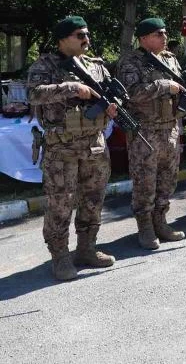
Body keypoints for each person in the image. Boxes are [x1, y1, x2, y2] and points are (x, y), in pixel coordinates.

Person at [27, 16, 117, 280]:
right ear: (63, 39)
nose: (86, 40)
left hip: (95, 146)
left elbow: (110, 92)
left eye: (87, 34)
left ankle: (86, 249)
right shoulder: (45, 65)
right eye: (80, 35)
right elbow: (33, 94)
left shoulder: (95, 65)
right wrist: (71, 87)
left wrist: (113, 105)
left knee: (93, 200)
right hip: (62, 148)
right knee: (60, 203)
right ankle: (60, 257)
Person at [118, 18, 186, 249]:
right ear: (143, 39)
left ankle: (161, 222)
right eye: (158, 34)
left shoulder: (170, 59)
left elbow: (181, 86)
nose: (164, 37)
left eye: (164, 33)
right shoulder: (131, 61)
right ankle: (145, 228)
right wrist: (164, 86)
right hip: (145, 132)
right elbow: (130, 93)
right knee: (145, 182)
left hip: (169, 128)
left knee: (167, 180)